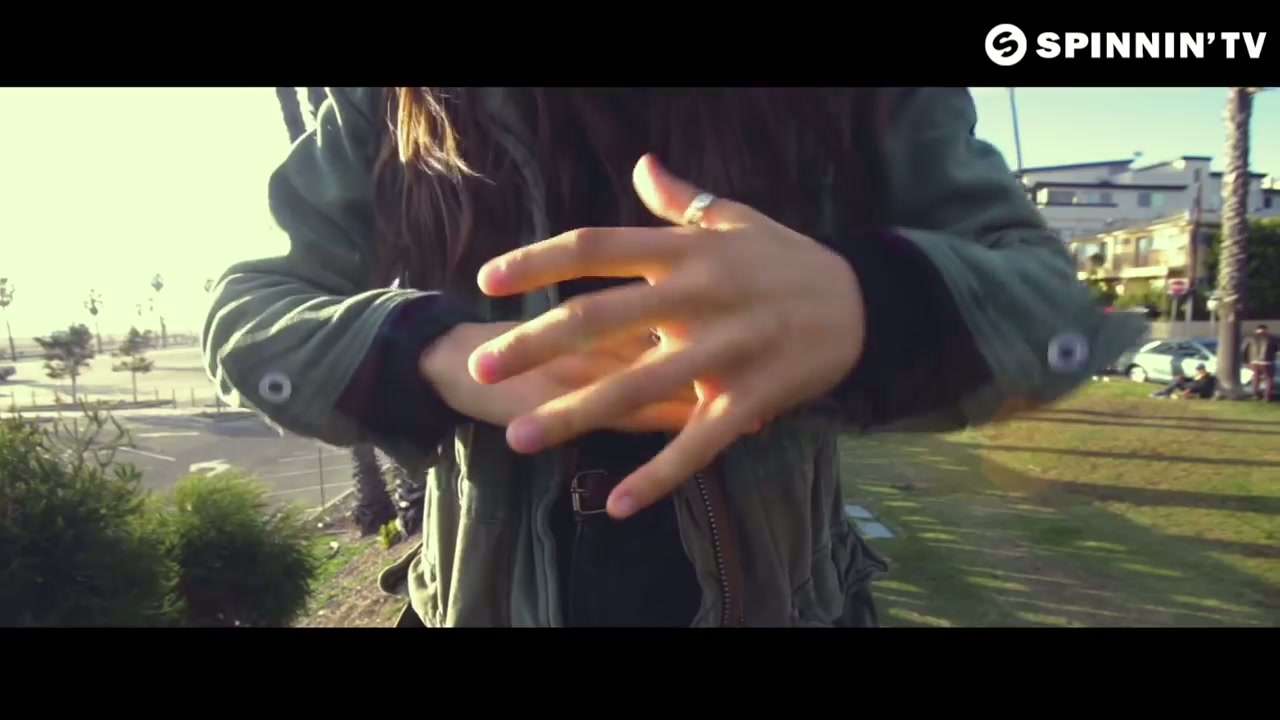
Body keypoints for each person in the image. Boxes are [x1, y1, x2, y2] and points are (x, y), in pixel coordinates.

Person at [203, 87, 1146, 627]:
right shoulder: (391, 102)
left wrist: (867, 307)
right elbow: (250, 310)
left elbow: (1057, 315)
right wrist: (439, 356)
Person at [1241, 324, 1277, 401]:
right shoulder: (1272, 338)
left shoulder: (1250, 337)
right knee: (1269, 379)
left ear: (1256, 330)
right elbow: (1276, 349)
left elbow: (1244, 350)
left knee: (1256, 378)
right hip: (1267, 362)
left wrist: (1246, 361)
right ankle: (1267, 396)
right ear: (1266, 330)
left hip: (1254, 362)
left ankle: (1255, 395)